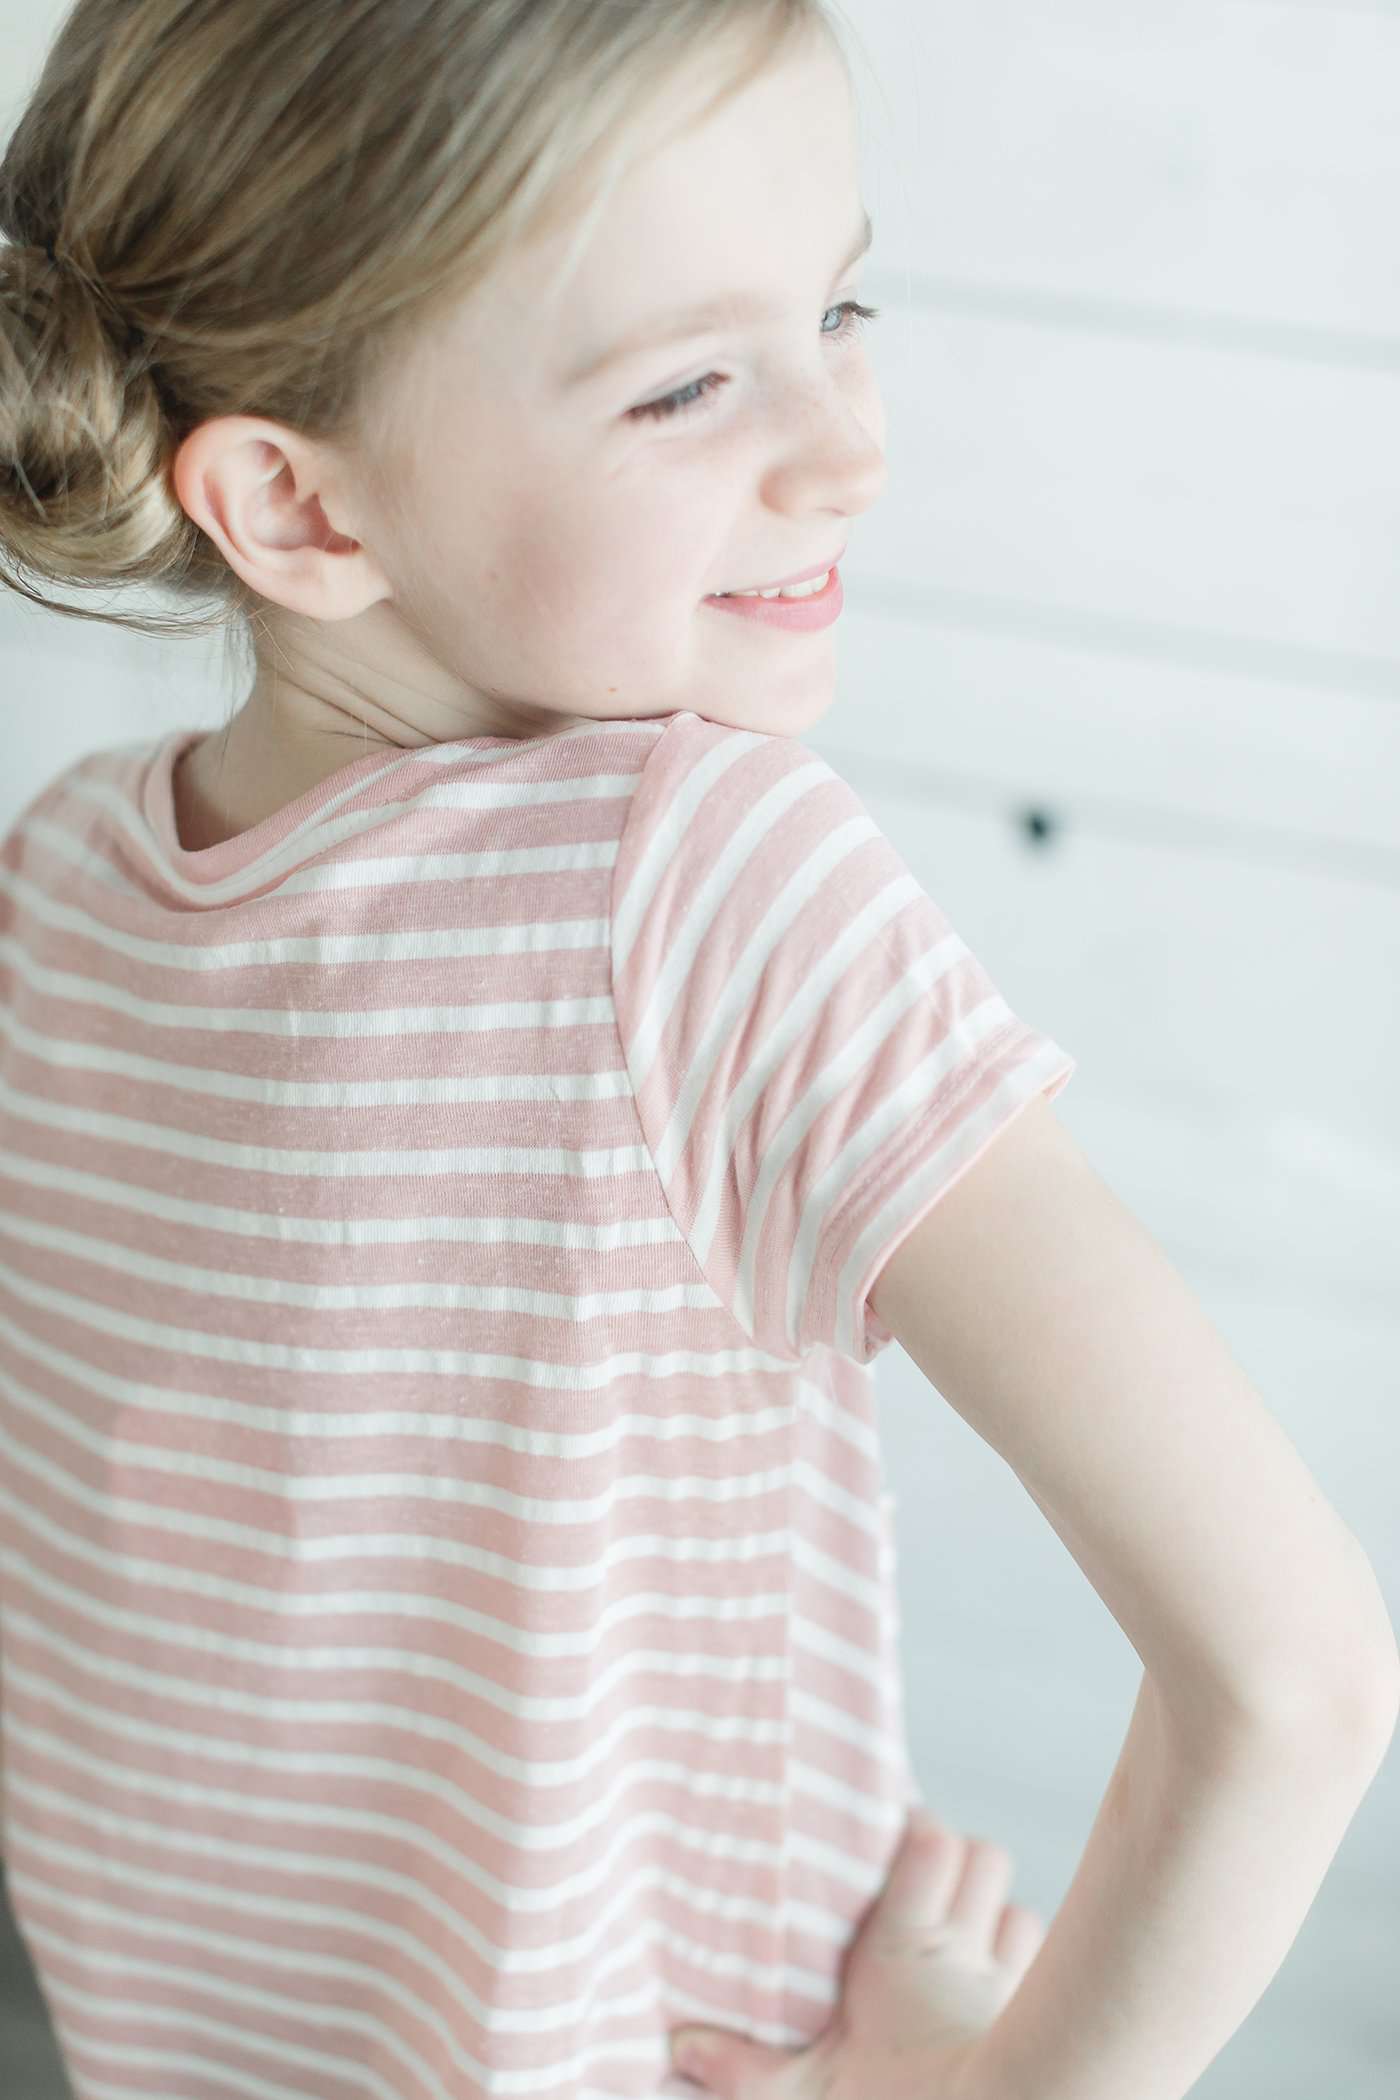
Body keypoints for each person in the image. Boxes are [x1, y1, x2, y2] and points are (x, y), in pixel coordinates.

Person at [0, 6, 1394, 2100]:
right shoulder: (699, 884)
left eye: (840, 303)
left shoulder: (60, 886)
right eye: (688, 381)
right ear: (292, 502)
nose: (854, 448)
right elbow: (1293, 1675)